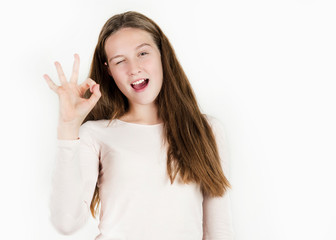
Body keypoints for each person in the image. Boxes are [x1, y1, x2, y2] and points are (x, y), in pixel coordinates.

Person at [44, 11, 234, 240]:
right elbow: (66, 222)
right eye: (120, 61)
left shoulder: (205, 130)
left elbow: (219, 231)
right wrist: (68, 127)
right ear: (109, 71)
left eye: (143, 53)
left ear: (163, 54)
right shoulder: (95, 134)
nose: (134, 68)